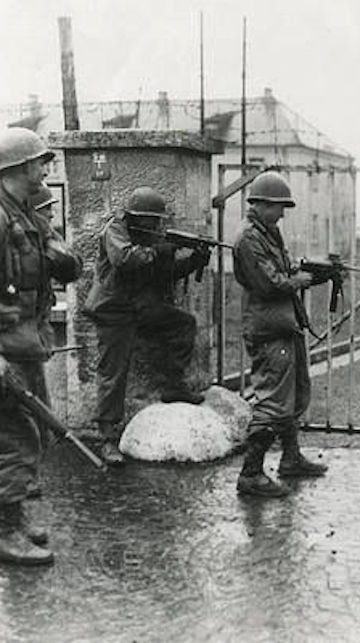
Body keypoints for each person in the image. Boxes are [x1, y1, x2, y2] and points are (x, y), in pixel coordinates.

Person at [0, 127, 82, 566]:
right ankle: (4, 532)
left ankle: (13, 516)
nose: (46, 168)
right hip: (1, 348)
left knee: (30, 435)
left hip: (23, 343)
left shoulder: (26, 215)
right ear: (21, 167)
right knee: (16, 438)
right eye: (41, 162)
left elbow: (66, 265)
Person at [83, 186, 211, 466]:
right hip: (112, 310)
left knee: (182, 324)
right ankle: (107, 438)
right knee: (113, 371)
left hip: (138, 307)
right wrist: (162, 249)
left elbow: (164, 275)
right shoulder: (115, 231)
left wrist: (193, 261)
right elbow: (125, 259)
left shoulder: (148, 239)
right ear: (136, 218)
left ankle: (174, 385)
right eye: (152, 220)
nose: (157, 225)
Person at [233, 170, 328, 497]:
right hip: (268, 328)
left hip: (284, 324)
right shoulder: (249, 238)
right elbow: (269, 283)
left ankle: (290, 459)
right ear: (259, 205)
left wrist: (311, 272)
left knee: (296, 393)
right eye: (278, 206)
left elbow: (282, 269)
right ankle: (250, 474)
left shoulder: (269, 232)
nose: (283, 213)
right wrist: (300, 281)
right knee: (273, 399)